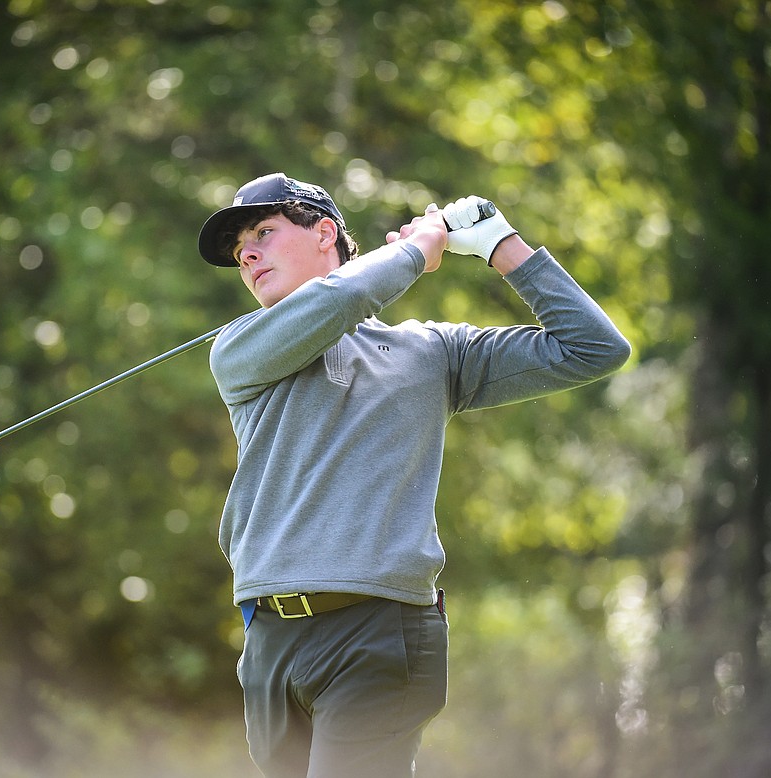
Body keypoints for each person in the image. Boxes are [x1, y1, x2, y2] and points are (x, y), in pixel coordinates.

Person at [197, 173, 631, 777]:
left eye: (263, 233)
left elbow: (593, 349)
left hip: (378, 631)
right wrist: (414, 251)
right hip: (271, 641)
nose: (247, 254)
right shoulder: (241, 347)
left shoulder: (430, 352)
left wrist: (501, 245)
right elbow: (339, 301)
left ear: (325, 234)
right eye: (239, 249)